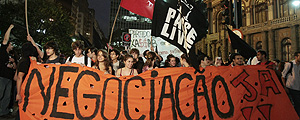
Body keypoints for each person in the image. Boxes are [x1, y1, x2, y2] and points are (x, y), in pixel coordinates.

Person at [0, 25, 16, 117]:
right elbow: (5, 39)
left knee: (7, 96)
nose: (12, 46)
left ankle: (3, 112)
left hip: (9, 78)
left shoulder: (11, 56)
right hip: (2, 76)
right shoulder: (2, 51)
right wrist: (9, 28)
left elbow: (14, 67)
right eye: (11, 44)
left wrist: (13, 63)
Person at [281, 51, 300, 117]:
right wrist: (285, 87)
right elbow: (283, 76)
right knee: (296, 104)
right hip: (291, 87)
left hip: (298, 88)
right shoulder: (290, 64)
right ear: (296, 57)